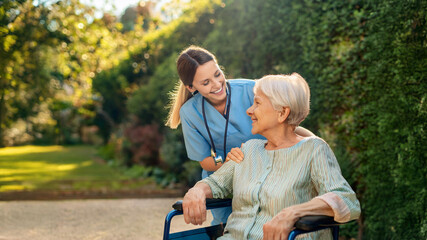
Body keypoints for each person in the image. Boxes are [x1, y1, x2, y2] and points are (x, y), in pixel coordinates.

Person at [181, 73, 361, 239]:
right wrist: (197, 190)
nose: (249, 111)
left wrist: (293, 213)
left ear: (282, 113)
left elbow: (346, 200)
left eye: (257, 103)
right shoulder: (248, 149)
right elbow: (215, 183)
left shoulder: (314, 149)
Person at [166, 46, 314, 225]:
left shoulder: (251, 89)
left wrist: (315, 144)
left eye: (217, 74)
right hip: (223, 176)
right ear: (191, 87)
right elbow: (205, 160)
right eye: (205, 83)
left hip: (268, 172)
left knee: (267, 224)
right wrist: (228, 162)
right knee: (229, 228)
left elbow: (288, 126)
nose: (217, 84)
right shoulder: (190, 112)